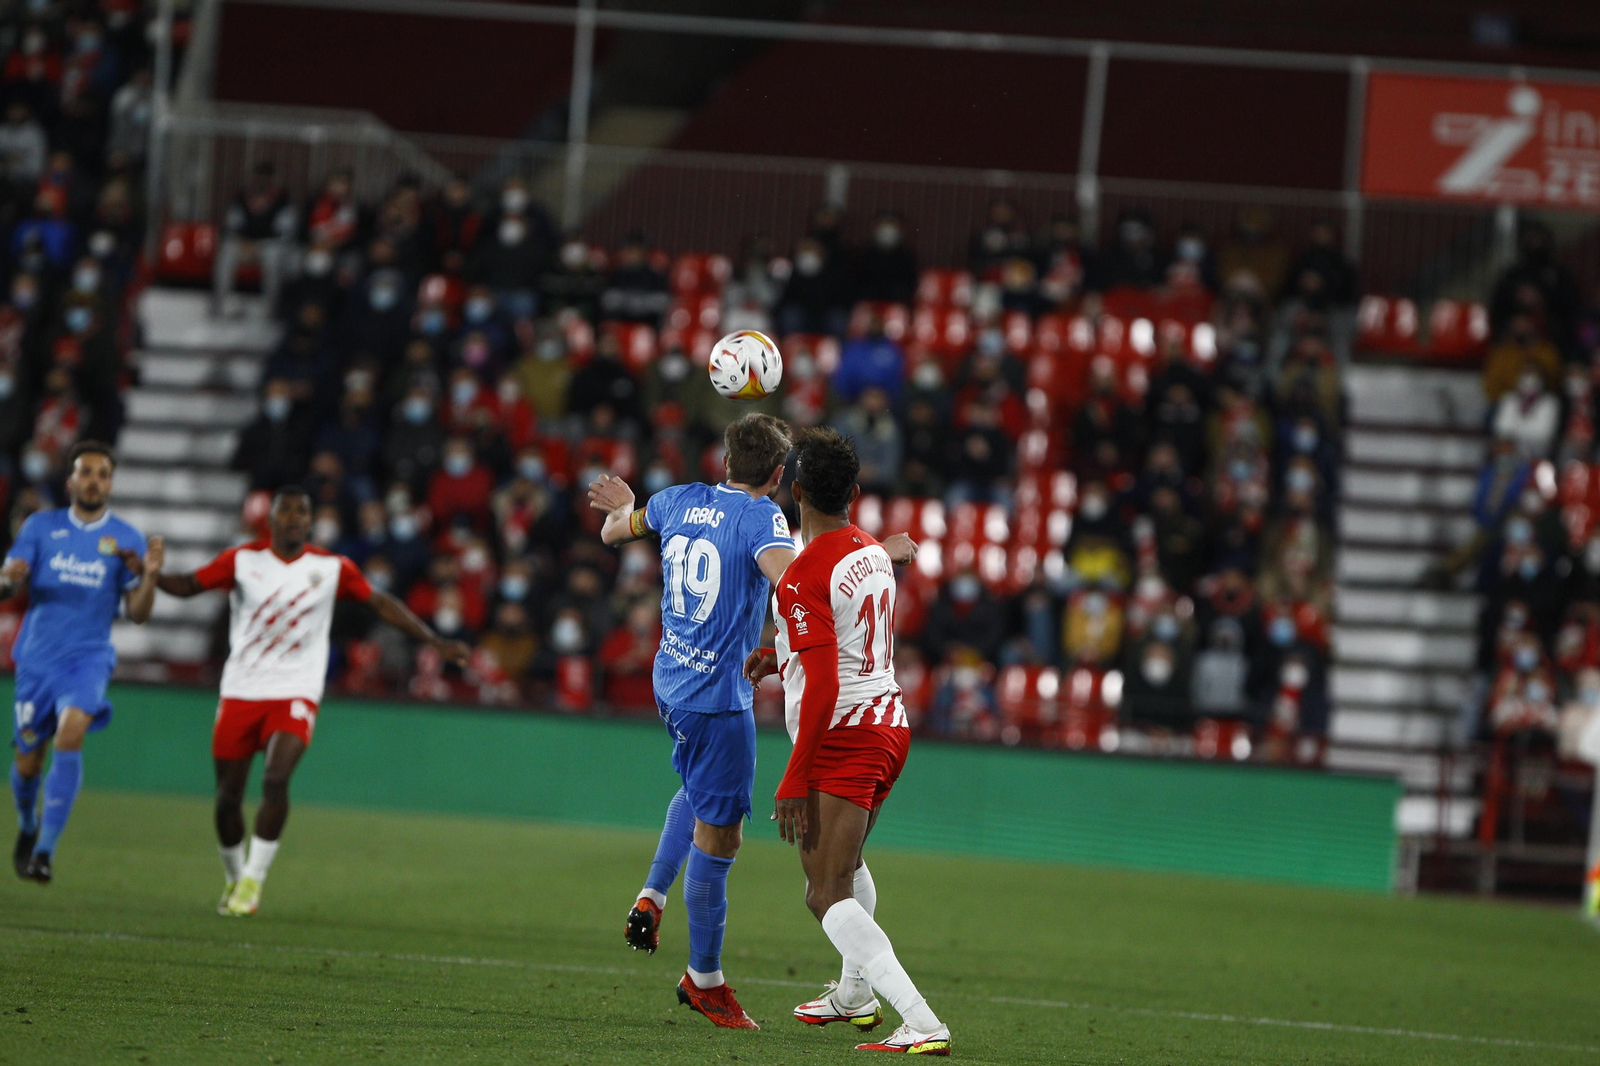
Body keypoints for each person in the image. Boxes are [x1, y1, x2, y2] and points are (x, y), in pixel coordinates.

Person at [587, 413, 913, 1029]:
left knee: (699, 791)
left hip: (670, 681)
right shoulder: (761, 518)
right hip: (719, 696)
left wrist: (628, 505)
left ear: (724, 461)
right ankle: (704, 978)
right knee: (722, 836)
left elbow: (612, 532)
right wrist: (873, 555)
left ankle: (653, 892)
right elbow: (799, 585)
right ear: (777, 474)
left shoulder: (673, 499)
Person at [154, 485, 469, 917]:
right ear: (272, 520)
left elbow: (379, 603)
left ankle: (254, 880)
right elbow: (190, 585)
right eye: (287, 512)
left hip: (296, 690)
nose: (295, 519)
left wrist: (433, 640)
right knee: (228, 796)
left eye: (302, 513)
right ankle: (233, 876)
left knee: (276, 778)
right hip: (242, 689)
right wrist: (149, 574)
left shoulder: (330, 566)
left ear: (310, 520)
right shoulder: (243, 560)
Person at [744, 427, 951, 1055]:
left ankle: (920, 1021)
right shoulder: (868, 552)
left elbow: (830, 680)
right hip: (888, 726)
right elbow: (845, 639)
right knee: (850, 866)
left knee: (824, 891)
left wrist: (792, 776)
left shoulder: (805, 571)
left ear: (794, 490)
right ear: (855, 493)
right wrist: (777, 656)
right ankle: (854, 993)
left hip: (844, 736)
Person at [3, 441, 162, 884]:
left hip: (88, 659)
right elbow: (8, 580)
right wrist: (7, 580)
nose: (94, 481)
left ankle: (45, 853)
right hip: (37, 660)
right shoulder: (41, 527)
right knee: (27, 762)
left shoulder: (126, 539)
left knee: (71, 736)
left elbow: (139, 612)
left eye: (102, 474)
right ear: (71, 480)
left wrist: (148, 577)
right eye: (86, 472)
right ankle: (28, 824)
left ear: (110, 483)